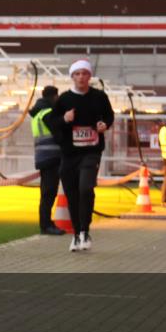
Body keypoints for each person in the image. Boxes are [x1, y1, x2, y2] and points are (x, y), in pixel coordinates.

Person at [47, 60, 115, 252]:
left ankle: (85, 230)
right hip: (69, 153)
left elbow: (109, 116)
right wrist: (64, 119)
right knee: (72, 193)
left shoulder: (99, 97)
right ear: (72, 77)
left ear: (90, 76)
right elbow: (52, 122)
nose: (81, 77)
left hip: (91, 151)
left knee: (85, 188)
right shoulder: (64, 99)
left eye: (85, 73)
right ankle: (77, 234)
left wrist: (104, 125)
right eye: (77, 74)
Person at [29, 86, 65, 235]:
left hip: (43, 156)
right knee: (49, 193)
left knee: (46, 192)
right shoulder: (48, 113)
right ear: (54, 97)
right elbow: (59, 134)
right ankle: (46, 225)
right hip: (52, 157)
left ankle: (46, 223)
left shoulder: (38, 113)